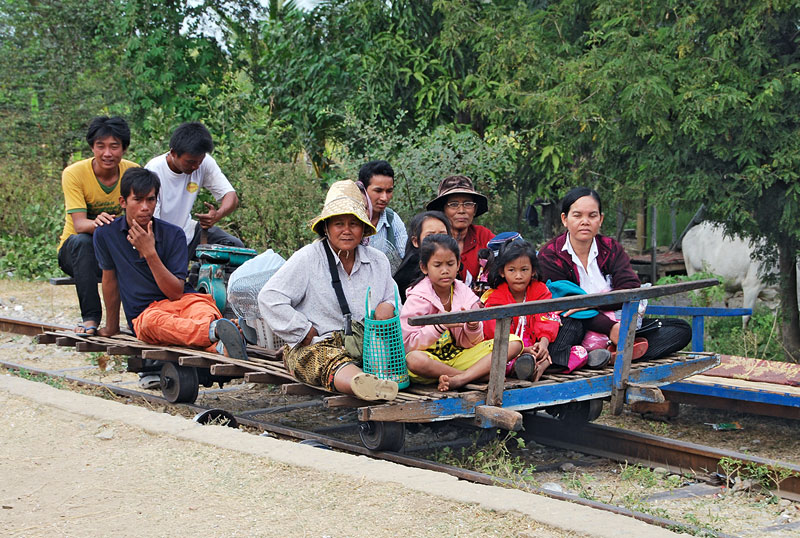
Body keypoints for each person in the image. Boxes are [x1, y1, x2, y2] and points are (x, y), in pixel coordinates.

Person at [93, 168, 247, 372]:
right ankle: (217, 333)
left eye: (151, 200)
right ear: (123, 202)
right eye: (137, 200)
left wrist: (150, 253)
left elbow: (175, 292)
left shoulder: (173, 234)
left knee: (204, 309)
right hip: (147, 313)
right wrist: (111, 326)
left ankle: (217, 341)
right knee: (153, 325)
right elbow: (109, 281)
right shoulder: (106, 234)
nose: (145, 208)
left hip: (182, 301)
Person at [258, 180, 399, 401]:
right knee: (325, 358)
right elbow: (270, 298)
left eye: (354, 224)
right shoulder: (309, 257)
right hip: (319, 345)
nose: (346, 231)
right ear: (326, 227)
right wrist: (302, 330)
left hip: (366, 345)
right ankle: (362, 385)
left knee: (394, 354)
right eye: (338, 224)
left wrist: (386, 307)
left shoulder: (378, 261)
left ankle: (376, 381)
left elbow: (391, 296)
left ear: (363, 228)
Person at [538, 187, 692, 363]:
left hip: (620, 324)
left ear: (601, 219)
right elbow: (566, 306)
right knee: (569, 324)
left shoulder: (610, 248)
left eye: (592, 215)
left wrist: (592, 303)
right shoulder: (551, 254)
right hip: (578, 328)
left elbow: (630, 288)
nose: (585, 221)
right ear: (565, 219)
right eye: (577, 215)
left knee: (681, 329)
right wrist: (610, 327)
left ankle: (607, 356)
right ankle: (598, 355)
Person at [400, 234, 523, 392]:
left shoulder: (464, 293)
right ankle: (470, 376)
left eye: (450, 264)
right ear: (424, 267)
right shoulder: (417, 297)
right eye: (437, 265)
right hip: (430, 364)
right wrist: (440, 325)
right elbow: (408, 345)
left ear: (458, 264)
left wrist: (473, 327)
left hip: (459, 356)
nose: (445, 271)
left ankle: (461, 379)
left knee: (514, 342)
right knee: (414, 360)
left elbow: (471, 343)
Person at [58, 116, 140, 335]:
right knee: (82, 241)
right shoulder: (74, 174)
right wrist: (100, 224)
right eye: (100, 146)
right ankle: (91, 318)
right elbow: (80, 224)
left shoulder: (132, 172)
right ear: (92, 147)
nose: (107, 153)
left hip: (115, 251)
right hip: (77, 254)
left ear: (124, 148)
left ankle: (141, 320)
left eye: (114, 147)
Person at [145, 122, 243, 258]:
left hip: (188, 231)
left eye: (200, 161)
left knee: (235, 247)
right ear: (173, 153)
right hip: (161, 237)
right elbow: (151, 222)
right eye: (190, 162)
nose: (196, 167)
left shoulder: (204, 162)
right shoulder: (154, 171)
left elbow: (231, 196)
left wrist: (218, 215)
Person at [483, 240, 568, 380]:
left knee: (579, 352)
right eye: (512, 270)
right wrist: (522, 350)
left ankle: (540, 364)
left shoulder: (540, 291)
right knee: (502, 363)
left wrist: (543, 343)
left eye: (524, 270)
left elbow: (547, 318)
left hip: (538, 347)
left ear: (533, 271)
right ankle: (531, 366)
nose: (518, 276)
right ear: (502, 272)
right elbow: (494, 332)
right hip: (508, 351)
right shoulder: (495, 298)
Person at [426, 175, 494, 285]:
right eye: (453, 205)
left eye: (468, 204)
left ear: (475, 209)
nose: (461, 210)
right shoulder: (433, 239)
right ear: (443, 210)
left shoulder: (483, 236)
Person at [393, 211, 452, 302]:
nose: (437, 241)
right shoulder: (407, 276)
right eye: (429, 236)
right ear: (415, 241)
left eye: (442, 235)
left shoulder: (453, 265)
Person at [356, 160, 408, 265]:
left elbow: (406, 257)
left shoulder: (392, 219)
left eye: (389, 191)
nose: (384, 198)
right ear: (363, 190)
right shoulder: (350, 219)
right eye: (378, 191)